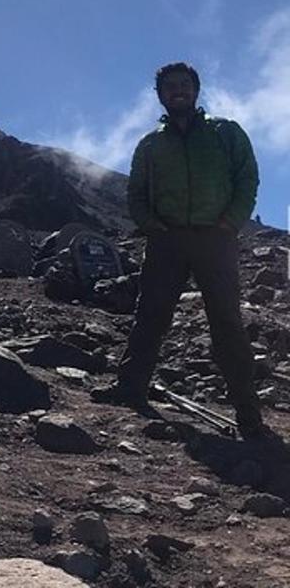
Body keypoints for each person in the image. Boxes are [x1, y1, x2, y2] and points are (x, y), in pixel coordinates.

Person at [91, 62, 272, 441]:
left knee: (226, 323)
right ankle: (130, 388)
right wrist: (151, 225)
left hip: (216, 240)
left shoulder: (226, 133)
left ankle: (249, 415)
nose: (178, 90)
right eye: (170, 86)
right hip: (167, 240)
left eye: (184, 85)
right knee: (150, 316)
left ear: (196, 90)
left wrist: (231, 222)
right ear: (160, 95)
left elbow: (247, 177)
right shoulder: (151, 144)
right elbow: (136, 193)